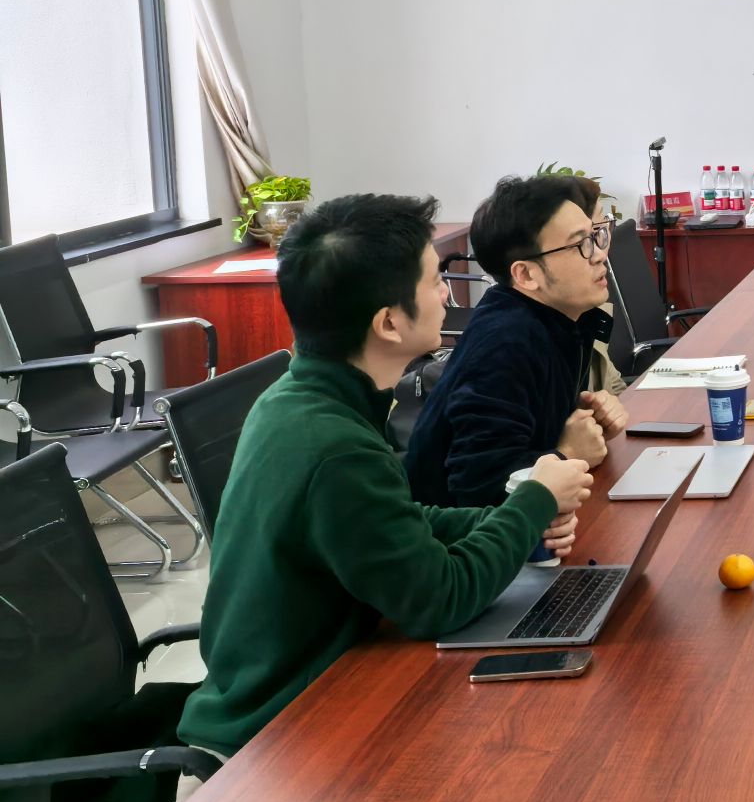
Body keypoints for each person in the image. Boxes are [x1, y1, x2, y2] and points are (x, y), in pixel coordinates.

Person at [179, 194, 592, 766]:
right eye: (434, 281)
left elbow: (395, 520)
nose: (446, 295)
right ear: (389, 323)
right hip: (280, 735)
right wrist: (534, 499)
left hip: (321, 685)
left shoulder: (302, 398)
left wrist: (507, 519)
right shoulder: (335, 446)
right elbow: (440, 599)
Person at [407, 174, 629, 508]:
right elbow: (477, 486)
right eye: (580, 244)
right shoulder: (505, 343)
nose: (599, 255)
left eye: (596, 235)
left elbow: (529, 433)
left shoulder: (560, 320)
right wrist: (568, 453)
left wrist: (588, 422)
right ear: (525, 274)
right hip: (458, 535)